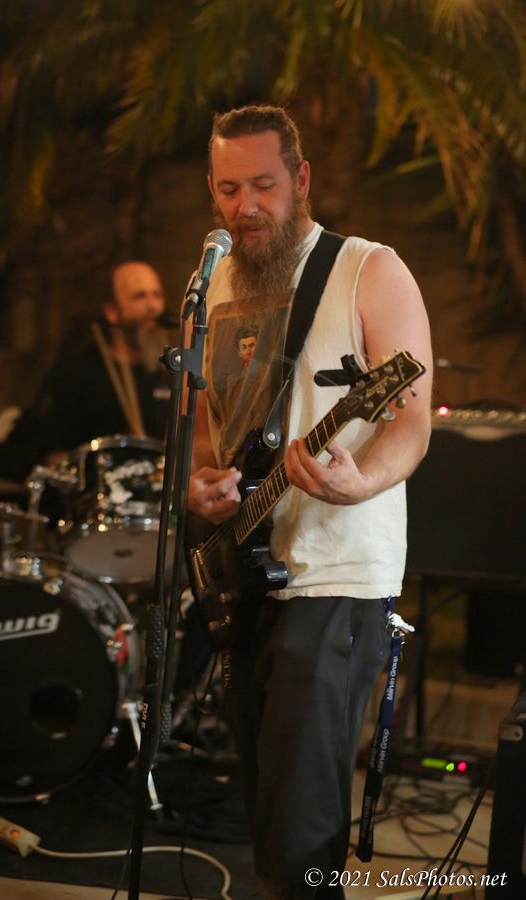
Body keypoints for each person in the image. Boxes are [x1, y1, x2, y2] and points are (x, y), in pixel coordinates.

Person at [187, 105, 433, 898]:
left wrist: (363, 480)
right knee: (264, 807)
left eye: (263, 185)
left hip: (337, 572)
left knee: (301, 823)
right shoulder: (216, 285)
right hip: (246, 572)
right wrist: (201, 480)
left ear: (300, 179)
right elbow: (203, 426)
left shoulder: (368, 270)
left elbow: (411, 422)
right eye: (229, 189)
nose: (246, 205)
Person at [0, 260, 172, 479]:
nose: (152, 306)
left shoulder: (168, 372)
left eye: (157, 295)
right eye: (139, 296)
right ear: (112, 311)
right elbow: (54, 455)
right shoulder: (79, 374)